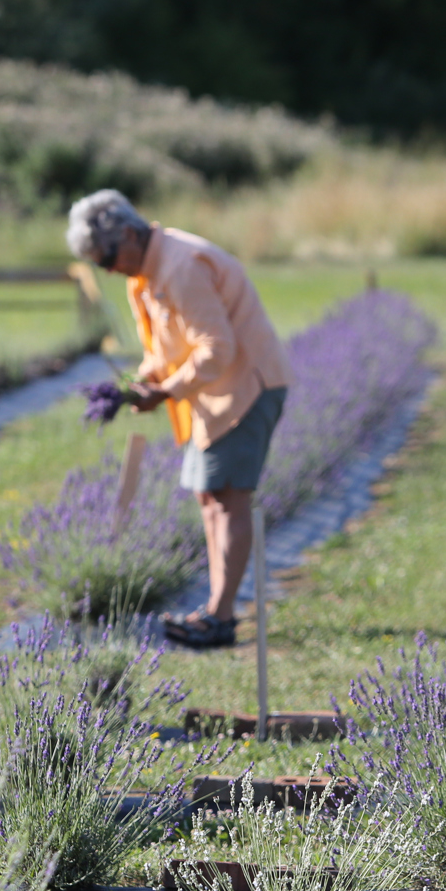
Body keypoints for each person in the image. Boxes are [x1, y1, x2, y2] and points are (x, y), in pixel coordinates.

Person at [65, 189, 291, 648]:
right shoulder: (144, 275)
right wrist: (136, 384)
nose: (107, 269)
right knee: (211, 498)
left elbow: (218, 347)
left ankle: (221, 618)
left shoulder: (181, 266)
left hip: (245, 387)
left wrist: (165, 392)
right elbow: (161, 351)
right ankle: (215, 610)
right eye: (99, 264)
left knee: (229, 500)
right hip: (210, 395)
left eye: (107, 256)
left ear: (127, 234)